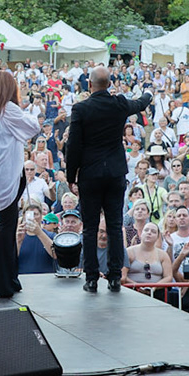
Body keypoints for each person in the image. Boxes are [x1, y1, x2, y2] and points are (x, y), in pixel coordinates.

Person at [64, 66, 152, 292]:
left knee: (90, 227)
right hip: (114, 174)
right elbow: (140, 104)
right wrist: (149, 94)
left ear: (89, 84)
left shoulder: (81, 109)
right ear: (109, 84)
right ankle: (114, 277)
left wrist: (71, 176)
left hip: (90, 175)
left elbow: (73, 145)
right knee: (114, 225)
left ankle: (91, 277)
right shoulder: (119, 103)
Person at [0, 69, 41, 299]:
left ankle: (9, 278)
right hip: (7, 176)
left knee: (7, 225)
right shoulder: (8, 109)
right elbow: (33, 127)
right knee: (6, 227)